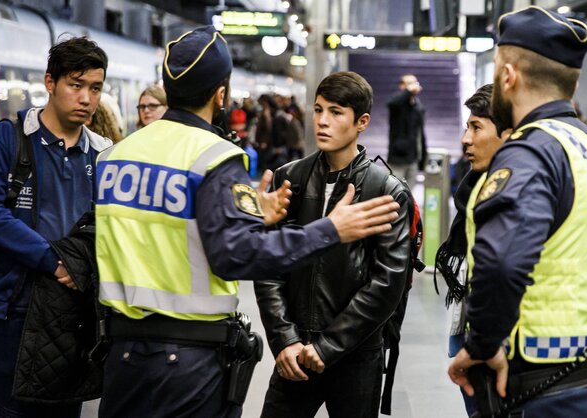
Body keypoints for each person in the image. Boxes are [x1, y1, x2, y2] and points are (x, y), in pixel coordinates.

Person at [95, 27, 401, 418]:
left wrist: (253, 214)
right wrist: (330, 230)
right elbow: (235, 255)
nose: (322, 120)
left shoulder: (115, 156)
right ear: (220, 94)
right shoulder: (213, 155)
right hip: (188, 361)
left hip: (120, 356)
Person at [446, 7, 587, 417]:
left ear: (508, 75)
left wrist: (481, 346)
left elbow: (500, 264)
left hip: (535, 393)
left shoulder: (532, 153)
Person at [0, 37, 112, 417]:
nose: (86, 98)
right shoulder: (9, 139)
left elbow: (110, 227)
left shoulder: (105, 154)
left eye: (95, 88)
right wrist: (53, 260)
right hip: (13, 311)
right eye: (75, 85)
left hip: (74, 316)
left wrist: (80, 265)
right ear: (50, 83)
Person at [254, 71, 411, 418]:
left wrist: (327, 346)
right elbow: (269, 263)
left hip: (355, 357)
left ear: (361, 122)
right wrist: (284, 339)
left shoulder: (387, 191)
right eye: (318, 109)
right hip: (294, 354)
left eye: (336, 112)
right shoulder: (289, 179)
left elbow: (387, 283)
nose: (322, 121)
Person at [436, 83, 510, 416]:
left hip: (504, 345)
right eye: (467, 126)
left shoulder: (514, 196)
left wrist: (484, 340)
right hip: (473, 330)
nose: (466, 138)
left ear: (507, 134)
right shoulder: (472, 189)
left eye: (476, 127)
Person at [387, 74, 427, 188]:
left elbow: (420, 134)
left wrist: (422, 156)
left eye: (414, 83)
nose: (413, 86)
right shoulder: (397, 104)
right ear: (402, 86)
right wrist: (408, 91)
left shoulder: (418, 106)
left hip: (413, 159)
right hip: (397, 159)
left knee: (409, 194)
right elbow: (392, 103)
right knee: (395, 192)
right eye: (409, 83)